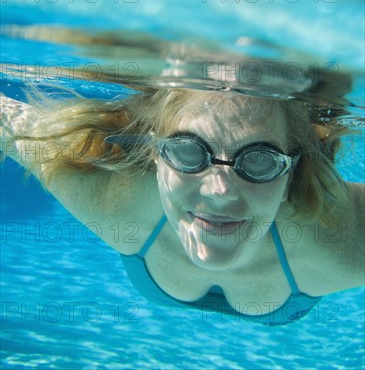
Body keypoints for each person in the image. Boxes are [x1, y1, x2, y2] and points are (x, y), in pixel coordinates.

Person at [1, 65, 364, 326]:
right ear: (155, 155)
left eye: (259, 161)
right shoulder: (114, 202)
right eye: (189, 152)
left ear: (292, 172)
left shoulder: (341, 243)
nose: (220, 191)